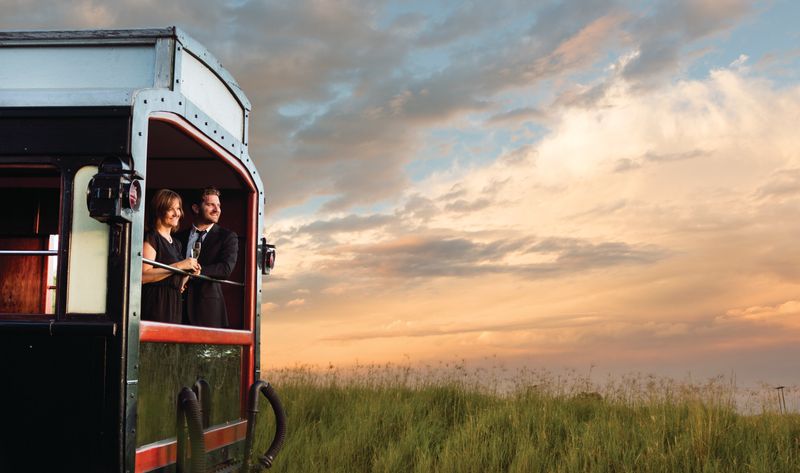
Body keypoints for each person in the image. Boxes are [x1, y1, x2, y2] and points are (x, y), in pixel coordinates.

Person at [176, 187, 238, 327]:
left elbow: (225, 269)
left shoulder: (227, 237)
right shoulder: (178, 237)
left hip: (208, 312)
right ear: (196, 208)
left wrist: (197, 271)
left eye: (218, 205)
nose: (217, 209)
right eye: (211, 205)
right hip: (176, 309)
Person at [141, 189, 200, 324]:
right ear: (159, 211)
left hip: (174, 304)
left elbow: (176, 283)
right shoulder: (152, 237)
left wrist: (188, 274)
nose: (176, 213)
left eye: (178, 208)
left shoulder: (177, 243)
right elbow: (143, 276)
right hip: (156, 304)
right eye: (170, 209)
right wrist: (180, 265)